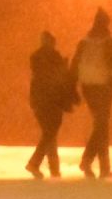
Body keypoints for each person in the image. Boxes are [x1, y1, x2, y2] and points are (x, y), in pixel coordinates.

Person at [69, 8, 112, 179]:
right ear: (106, 24)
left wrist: (72, 90)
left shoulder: (83, 43)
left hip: (88, 88)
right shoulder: (111, 44)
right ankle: (91, 161)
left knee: (101, 125)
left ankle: (102, 166)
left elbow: (74, 67)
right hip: (104, 88)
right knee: (102, 126)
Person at [26, 30, 76, 179]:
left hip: (40, 100)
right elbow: (58, 78)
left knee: (49, 133)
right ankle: (35, 163)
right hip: (53, 100)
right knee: (50, 133)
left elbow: (41, 77)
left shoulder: (36, 58)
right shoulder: (54, 58)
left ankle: (54, 168)